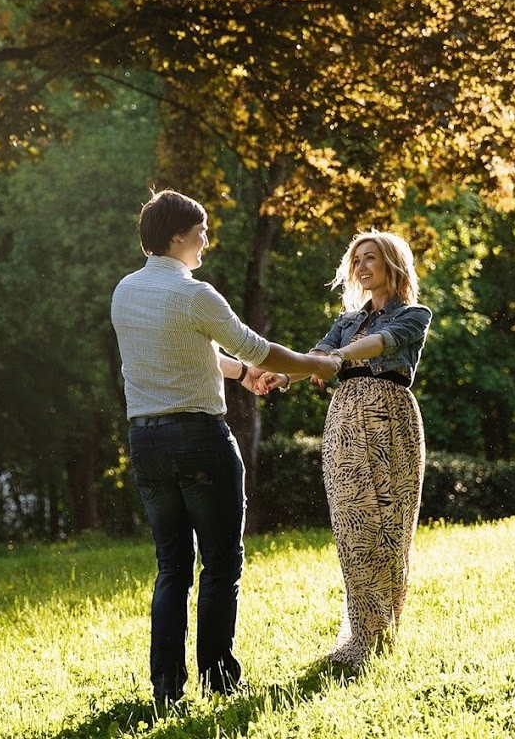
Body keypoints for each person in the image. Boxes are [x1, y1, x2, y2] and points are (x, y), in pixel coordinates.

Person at [110, 189, 342, 706]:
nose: (206, 241)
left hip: (145, 439)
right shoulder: (196, 294)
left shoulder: (125, 291)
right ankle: (218, 680)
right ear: (177, 235)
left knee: (172, 565)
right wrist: (316, 365)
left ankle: (166, 688)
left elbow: (192, 352)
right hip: (198, 440)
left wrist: (242, 376)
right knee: (219, 563)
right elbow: (256, 346)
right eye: (202, 231)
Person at [302, 230, 432, 669]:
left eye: (370, 257)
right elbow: (315, 357)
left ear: (392, 264)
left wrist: (336, 358)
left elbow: (380, 343)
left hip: (390, 416)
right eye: (356, 260)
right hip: (345, 416)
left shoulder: (415, 314)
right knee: (353, 527)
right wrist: (279, 375)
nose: (361, 267)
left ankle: (381, 637)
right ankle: (360, 638)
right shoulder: (346, 320)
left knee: (388, 526)